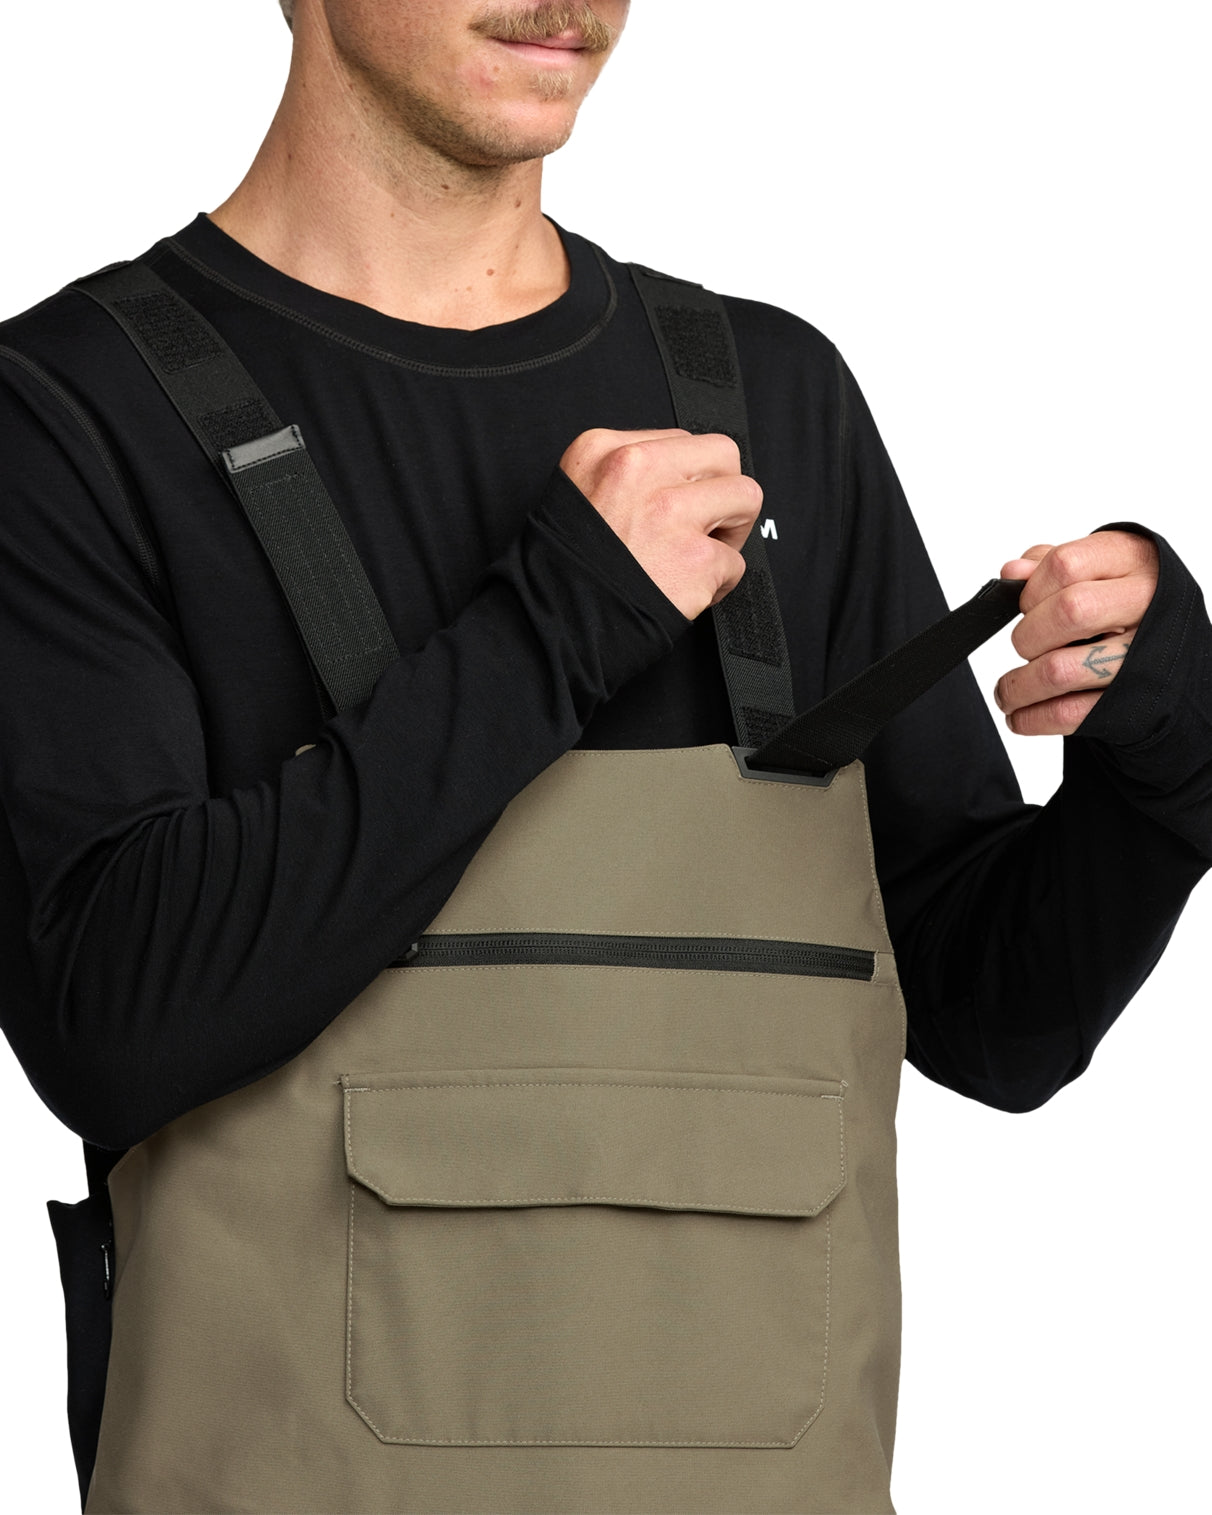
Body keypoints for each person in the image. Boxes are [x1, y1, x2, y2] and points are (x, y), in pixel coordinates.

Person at [0, 2, 1208, 1511]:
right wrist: (554, 626)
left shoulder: (775, 397)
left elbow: (991, 1022)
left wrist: (1162, 768)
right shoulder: (69, 413)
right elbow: (111, 1018)